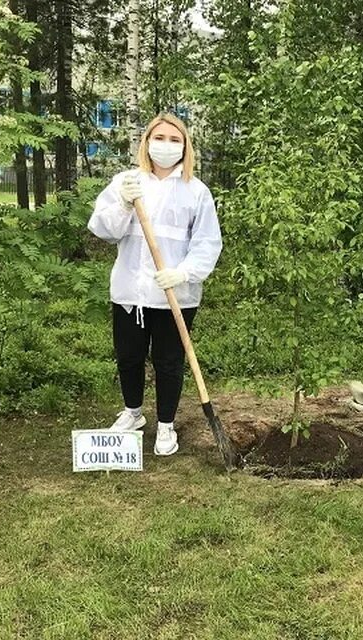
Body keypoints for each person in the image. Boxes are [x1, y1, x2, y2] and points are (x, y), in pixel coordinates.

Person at [87, 113, 222, 456]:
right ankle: (133, 414)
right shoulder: (127, 182)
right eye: (159, 137)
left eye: (174, 140)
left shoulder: (196, 191)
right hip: (130, 291)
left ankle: (165, 425)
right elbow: (103, 229)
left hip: (175, 294)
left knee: (169, 361)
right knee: (129, 357)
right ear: (146, 142)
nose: (166, 145)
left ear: (185, 146)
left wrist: (185, 273)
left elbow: (208, 242)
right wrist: (121, 202)